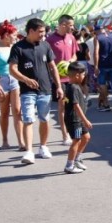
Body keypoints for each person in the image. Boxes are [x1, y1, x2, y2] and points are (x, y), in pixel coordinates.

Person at [9, 18, 64, 164]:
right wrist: (25, 79)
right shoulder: (18, 48)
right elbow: (12, 69)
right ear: (31, 31)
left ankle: (43, 146)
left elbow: (53, 67)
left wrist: (58, 86)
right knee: (28, 119)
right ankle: (28, 151)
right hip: (27, 91)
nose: (43, 34)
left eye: (44, 32)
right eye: (40, 32)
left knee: (45, 119)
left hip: (45, 89)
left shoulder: (45, 45)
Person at [0, 21, 24, 150]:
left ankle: (21, 141)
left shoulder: (15, 47)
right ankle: (5, 140)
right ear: (7, 34)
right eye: (14, 34)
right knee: (4, 112)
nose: (16, 37)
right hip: (1, 80)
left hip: (15, 80)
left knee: (17, 111)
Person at [47, 14, 80, 146]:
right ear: (63, 24)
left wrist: (70, 61)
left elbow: (74, 54)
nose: (73, 28)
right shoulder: (50, 40)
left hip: (72, 78)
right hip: (59, 80)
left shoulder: (71, 37)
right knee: (62, 107)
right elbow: (47, 60)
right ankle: (64, 134)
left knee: (74, 105)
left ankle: (75, 133)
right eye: (71, 25)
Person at [62, 62, 93, 174]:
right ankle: (69, 165)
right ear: (77, 75)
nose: (84, 77)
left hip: (78, 119)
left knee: (86, 137)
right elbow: (76, 106)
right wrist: (85, 120)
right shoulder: (73, 88)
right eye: (83, 75)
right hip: (75, 120)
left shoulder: (74, 87)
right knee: (77, 140)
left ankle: (77, 158)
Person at [94, 23, 112, 112]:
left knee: (102, 84)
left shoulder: (97, 38)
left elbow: (96, 52)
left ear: (97, 31)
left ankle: (106, 104)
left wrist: (95, 66)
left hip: (102, 64)